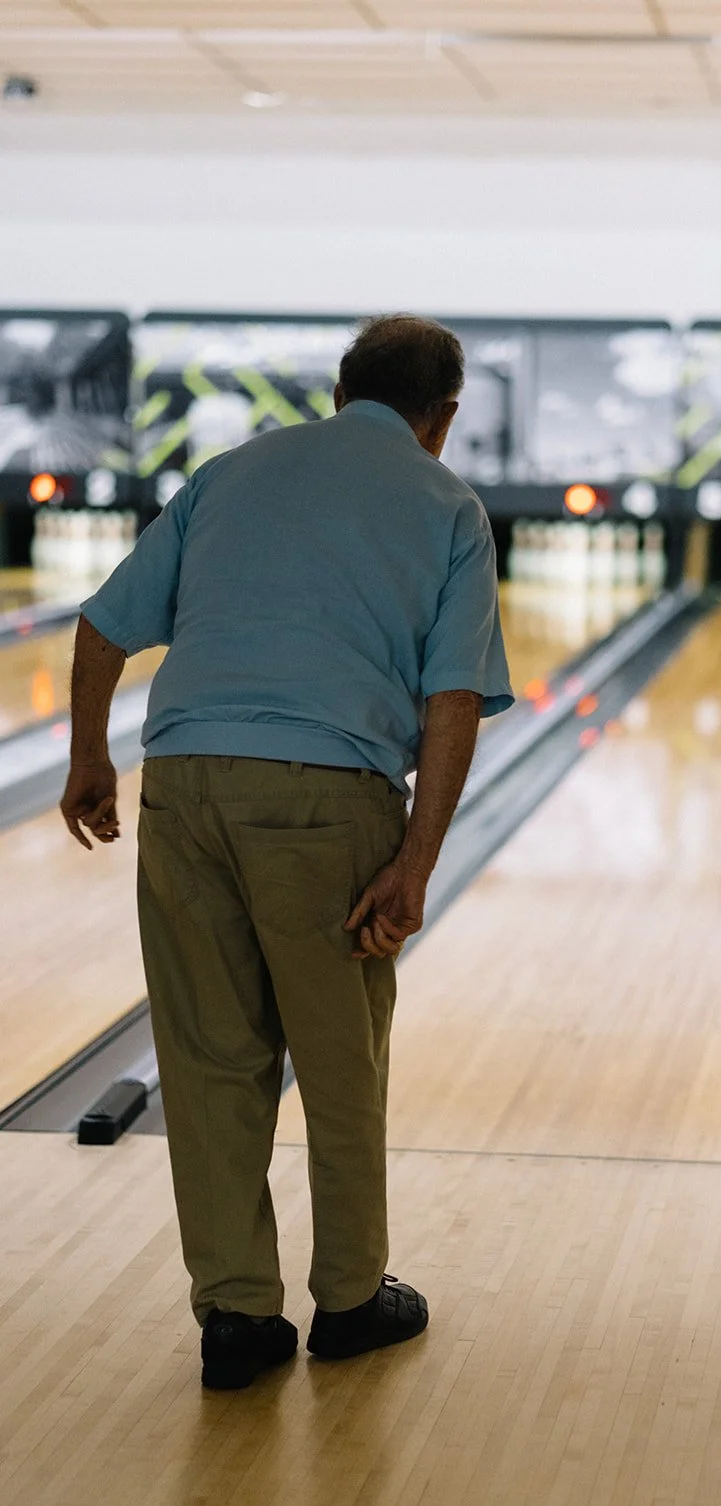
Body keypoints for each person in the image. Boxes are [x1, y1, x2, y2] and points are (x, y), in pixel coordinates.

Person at [60, 314, 514, 1391]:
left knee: (212, 1059)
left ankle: (236, 1319)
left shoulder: (231, 469)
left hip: (184, 783)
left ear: (341, 385)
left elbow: (102, 626)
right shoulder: (445, 501)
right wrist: (413, 861)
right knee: (339, 1059)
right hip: (327, 794)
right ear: (441, 417)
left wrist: (87, 758)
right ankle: (351, 1300)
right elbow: (452, 699)